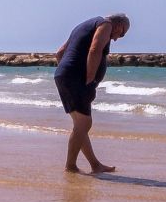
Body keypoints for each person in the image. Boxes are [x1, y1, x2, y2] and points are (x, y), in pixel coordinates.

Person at [53, 12, 130, 175]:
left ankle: (95, 165)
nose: (116, 38)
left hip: (64, 75)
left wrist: (65, 71)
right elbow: (95, 49)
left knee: (80, 125)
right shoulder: (106, 25)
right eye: (121, 34)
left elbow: (60, 52)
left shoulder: (84, 25)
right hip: (77, 79)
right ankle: (70, 166)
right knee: (84, 124)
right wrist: (89, 79)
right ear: (119, 25)